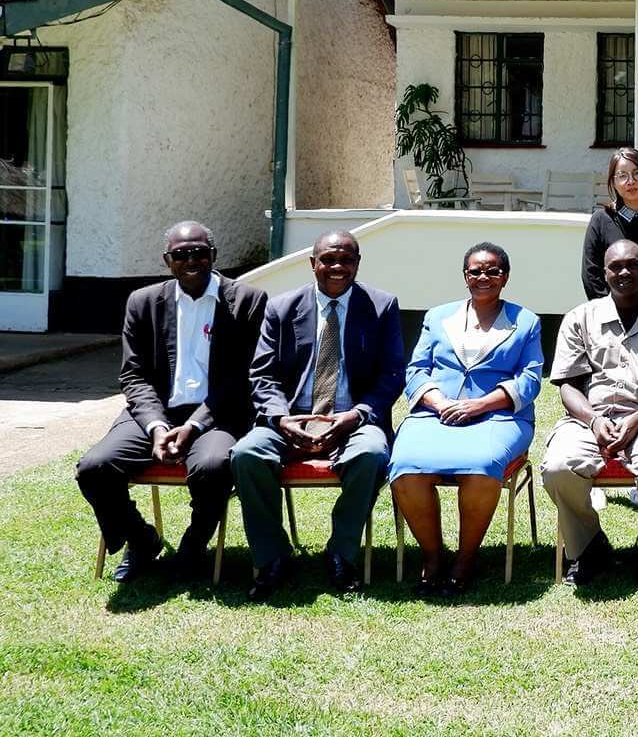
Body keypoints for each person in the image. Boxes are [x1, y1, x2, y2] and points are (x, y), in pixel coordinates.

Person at [75, 222, 267, 581]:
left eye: (199, 252)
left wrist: (195, 425)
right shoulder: (143, 302)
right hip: (154, 413)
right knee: (94, 467)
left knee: (212, 466)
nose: (191, 260)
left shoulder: (247, 301)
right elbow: (133, 375)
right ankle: (142, 540)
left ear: (214, 255)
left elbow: (244, 378)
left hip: (218, 414)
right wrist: (158, 426)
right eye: (181, 254)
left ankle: (193, 546)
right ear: (167, 260)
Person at [230, 231, 405, 601]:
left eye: (347, 260)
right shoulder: (281, 308)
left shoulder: (381, 305)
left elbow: (392, 375)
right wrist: (280, 419)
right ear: (313, 264)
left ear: (358, 263)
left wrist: (356, 415)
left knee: (372, 454)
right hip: (291, 417)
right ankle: (272, 556)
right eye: (328, 259)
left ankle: (341, 552)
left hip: (353, 419)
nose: (337, 267)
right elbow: (262, 375)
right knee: (247, 454)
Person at [389, 243, 544, 596]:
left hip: (499, 417)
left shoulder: (526, 321)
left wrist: (478, 406)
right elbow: (416, 371)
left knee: (480, 464)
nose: (483, 277)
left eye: (492, 271)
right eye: (475, 271)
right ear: (465, 277)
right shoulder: (436, 317)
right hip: (435, 414)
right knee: (405, 464)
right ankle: (432, 556)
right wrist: (440, 401)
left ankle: (465, 558)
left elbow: (530, 380)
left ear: (505, 276)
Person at [544, 240, 638, 586]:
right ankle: (588, 546)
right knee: (558, 466)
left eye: (633, 264)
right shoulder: (579, 318)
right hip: (588, 419)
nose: (624, 272)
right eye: (615, 266)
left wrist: (636, 420)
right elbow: (567, 384)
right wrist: (594, 421)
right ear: (603, 272)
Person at [581, 147, 638, 300]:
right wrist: (609, 310)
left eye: (637, 173)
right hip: (609, 314)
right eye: (622, 175)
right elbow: (591, 274)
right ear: (613, 182)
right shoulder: (600, 220)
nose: (631, 181)